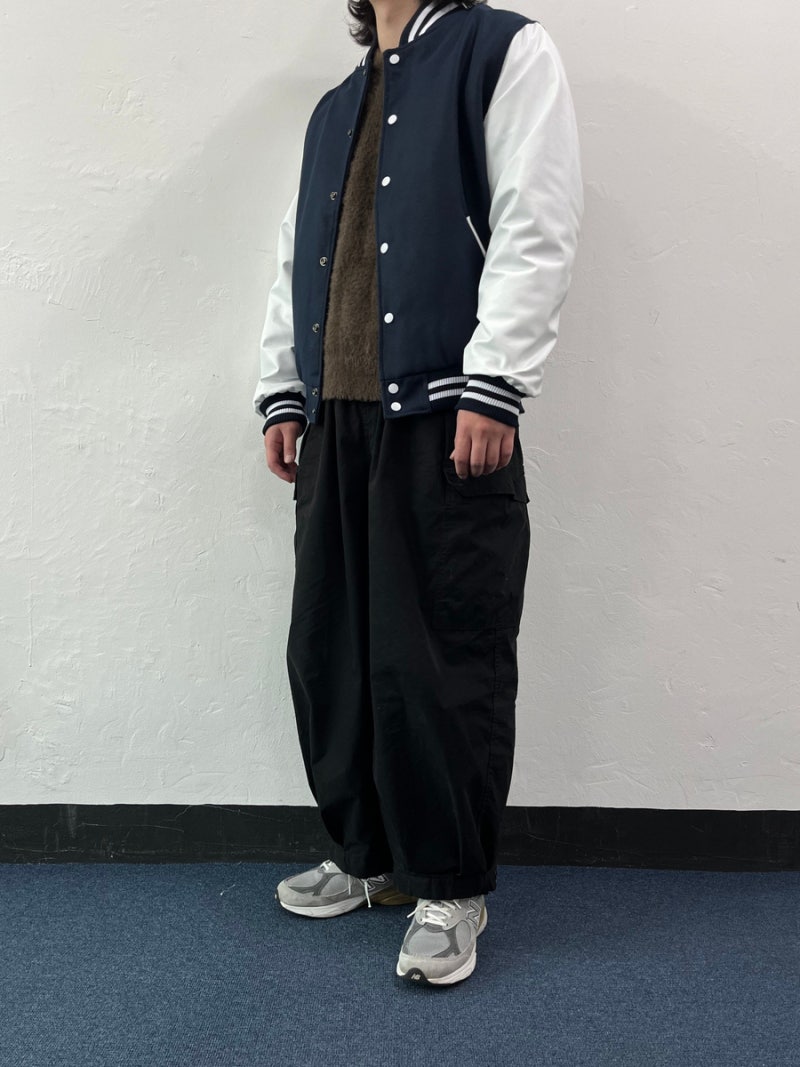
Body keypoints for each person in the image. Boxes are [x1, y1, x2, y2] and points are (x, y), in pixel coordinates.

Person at [252, 0, 583, 986]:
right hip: (337, 420)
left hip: (444, 412)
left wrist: (496, 381)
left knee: (440, 658)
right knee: (331, 652)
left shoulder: (501, 50)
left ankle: (448, 883)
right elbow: (298, 257)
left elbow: (535, 220)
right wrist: (283, 386)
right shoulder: (335, 105)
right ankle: (366, 855)